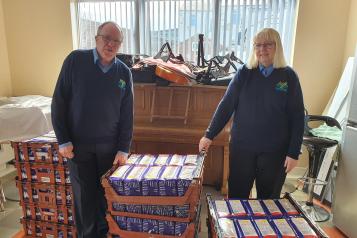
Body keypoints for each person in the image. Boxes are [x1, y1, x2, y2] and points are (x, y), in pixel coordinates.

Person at [199, 28, 304, 199]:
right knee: (237, 199)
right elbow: (226, 105)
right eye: (258, 45)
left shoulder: (289, 76)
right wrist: (209, 135)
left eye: (268, 44)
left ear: (277, 47)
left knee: (268, 201)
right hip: (243, 148)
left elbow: (298, 117)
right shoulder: (244, 73)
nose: (262, 49)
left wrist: (293, 152)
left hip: (275, 152)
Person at [51, 21, 133, 237]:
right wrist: (63, 140)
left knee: (107, 198)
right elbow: (59, 101)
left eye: (116, 41)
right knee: (85, 200)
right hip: (78, 148)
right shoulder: (75, 61)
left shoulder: (124, 72)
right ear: (96, 38)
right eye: (106, 38)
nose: (110, 44)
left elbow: (127, 115)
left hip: (110, 149)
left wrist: (124, 148)